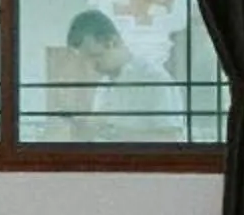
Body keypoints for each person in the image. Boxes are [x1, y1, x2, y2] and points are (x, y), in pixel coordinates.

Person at [64, 9, 180, 142]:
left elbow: (171, 139)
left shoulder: (154, 79)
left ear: (112, 42)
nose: (91, 66)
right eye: (85, 59)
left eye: (94, 56)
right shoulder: (103, 87)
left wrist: (109, 131)